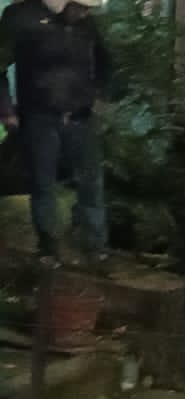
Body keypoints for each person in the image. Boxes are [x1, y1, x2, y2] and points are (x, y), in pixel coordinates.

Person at [0, 0, 112, 268]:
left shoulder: (86, 24)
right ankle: (49, 248)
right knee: (43, 182)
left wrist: (101, 96)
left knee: (91, 183)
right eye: (80, 7)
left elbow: (105, 61)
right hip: (39, 116)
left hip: (80, 116)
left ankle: (95, 247)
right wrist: (6, 109)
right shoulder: (21, 17)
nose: (84, 13)